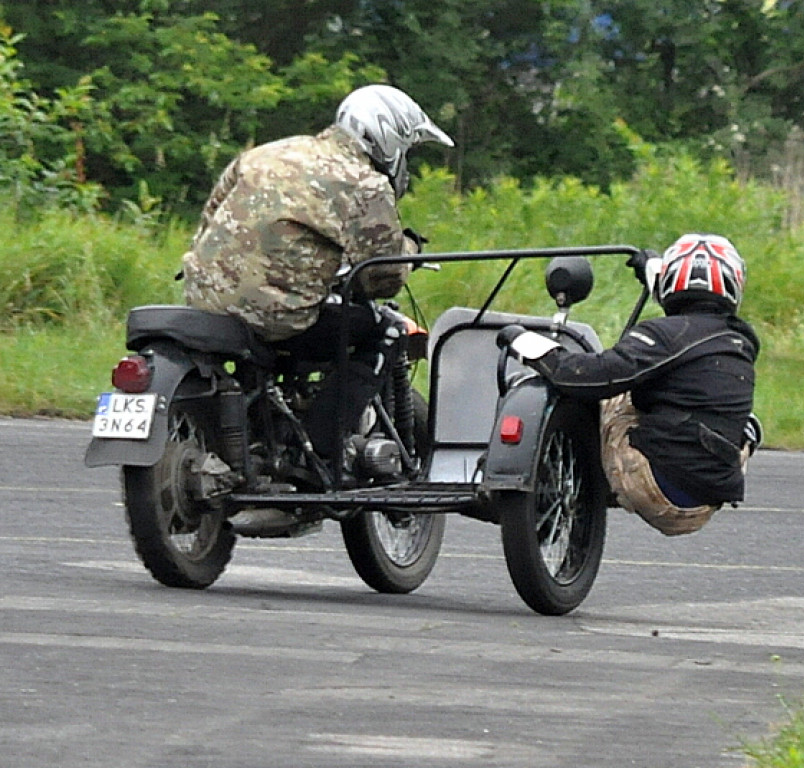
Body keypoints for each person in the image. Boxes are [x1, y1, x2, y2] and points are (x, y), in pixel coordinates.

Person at [180, 84, 454, 455]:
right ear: (388, 138)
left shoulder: (262, 155)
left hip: (202, 301)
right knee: (385, 331)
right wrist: (409, 247)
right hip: (275, 318)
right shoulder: (363, 182)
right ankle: (318, 447)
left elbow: (208, 221)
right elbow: (382, 276)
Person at [496, 234, 762, 536]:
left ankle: (564, 482)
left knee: (608, 392)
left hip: (655, 489)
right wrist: (652, 269)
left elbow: (588, 376)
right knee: (722, 406)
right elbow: (692, 324)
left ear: (670, 282)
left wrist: (527, 344)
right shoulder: (740, 342)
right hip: (704, 502)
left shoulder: (662, 336)